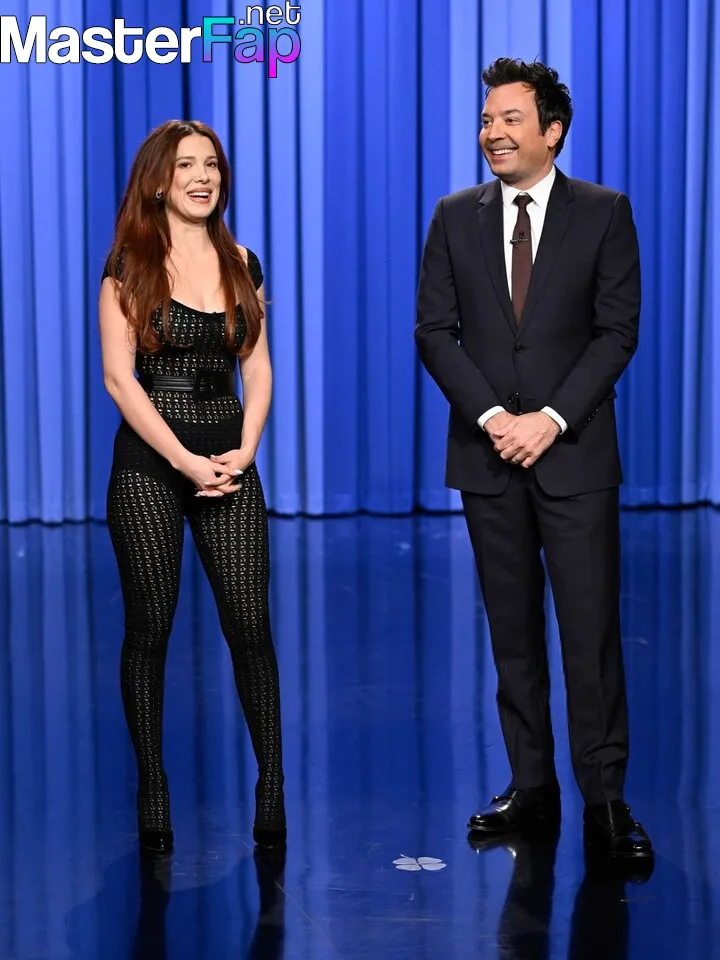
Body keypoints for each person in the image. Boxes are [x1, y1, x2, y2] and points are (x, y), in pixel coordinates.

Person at [415, 59, 652, 860]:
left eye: (510, 119)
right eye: (487, 119)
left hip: (574, 456)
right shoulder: (455, 217)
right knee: (511, 635)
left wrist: (549, 420)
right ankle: (532, 786)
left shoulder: (604, 212)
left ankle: (607, 801)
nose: (493, 132)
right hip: (487, 459)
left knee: (590, 634)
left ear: (552, 130)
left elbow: (616, 332)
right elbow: (434, 333)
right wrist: (493, 419)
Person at [99, 119, 285, 856]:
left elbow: (257, 367)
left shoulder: (243, 262)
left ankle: (271, 784)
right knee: (150, 629)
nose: (203, 177)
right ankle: (152, 785)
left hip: (227, 456)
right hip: (151, 462)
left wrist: (246, 449)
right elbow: (120, 380)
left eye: (211, 165)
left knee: (251, 627)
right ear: (158, 181)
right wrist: (182, 459)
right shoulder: (129, 263)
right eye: (186, 166)